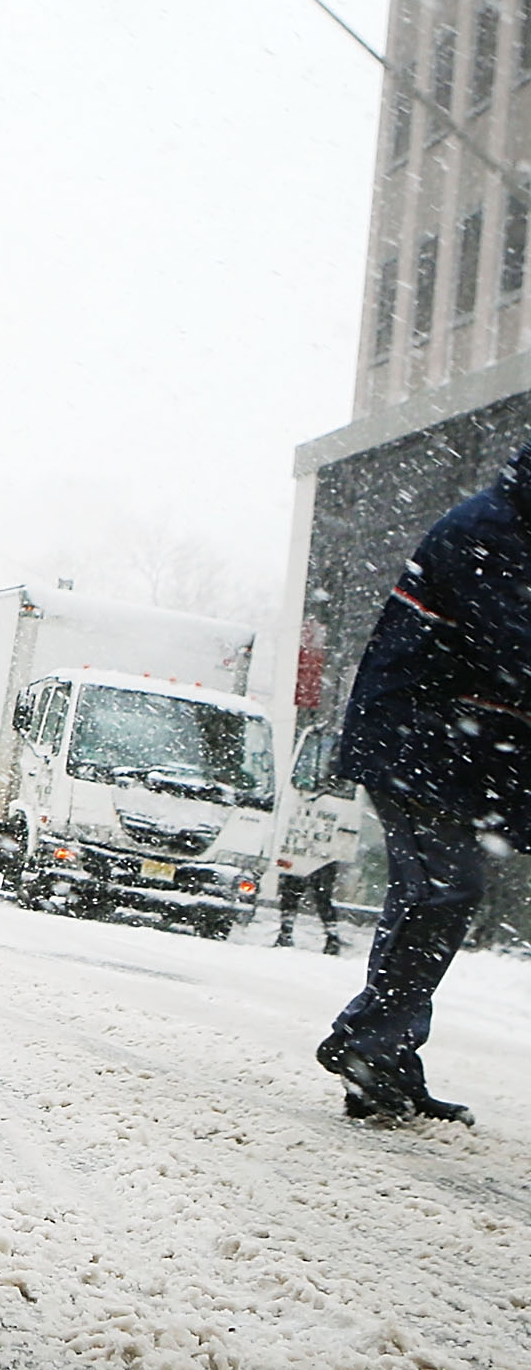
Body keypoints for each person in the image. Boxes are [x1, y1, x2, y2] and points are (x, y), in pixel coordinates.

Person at [313, 444, 531, 1124]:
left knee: (436, 893)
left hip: (449, 751)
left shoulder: (513, 530)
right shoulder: (488, 531)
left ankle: (382, 1052)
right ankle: (373, 1044)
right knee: (442, 887)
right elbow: (514, 651)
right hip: (414, 740)